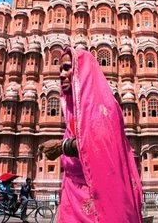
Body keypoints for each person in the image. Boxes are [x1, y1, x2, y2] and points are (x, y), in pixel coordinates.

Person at [38, 47, 143, 223]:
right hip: (72, 199)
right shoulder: (73, 110)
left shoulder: (103, 107)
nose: (62, 74)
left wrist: (61, 146)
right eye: (60, 69)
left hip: (96, 203)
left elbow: (98, 143)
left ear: (83, 71)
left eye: (67, 68)